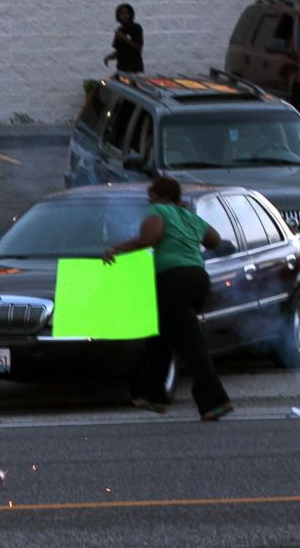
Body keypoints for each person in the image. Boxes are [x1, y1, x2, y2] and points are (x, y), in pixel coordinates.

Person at [103, 176, 233, 422]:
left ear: (159, 194)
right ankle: (154, 397)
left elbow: (149, 239)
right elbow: (214, 240)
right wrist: (187, 226)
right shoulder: (188, 216)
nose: (148, 199)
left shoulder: (159, 210)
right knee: (161, 337)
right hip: (198, 279)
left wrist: (116, 249)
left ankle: (215, 400)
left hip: (173, 281)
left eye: (150, 194)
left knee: (190, 344)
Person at [103, 3, 144, 73]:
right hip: (122, 67)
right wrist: (109, 57)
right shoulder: (120, 30)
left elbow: (139, 47)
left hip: (133, 67)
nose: (124, 16)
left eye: (126, 13)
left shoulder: (136, 27)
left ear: (130, 15)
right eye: (121, 13)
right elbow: (120, 51)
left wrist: (124, 37)